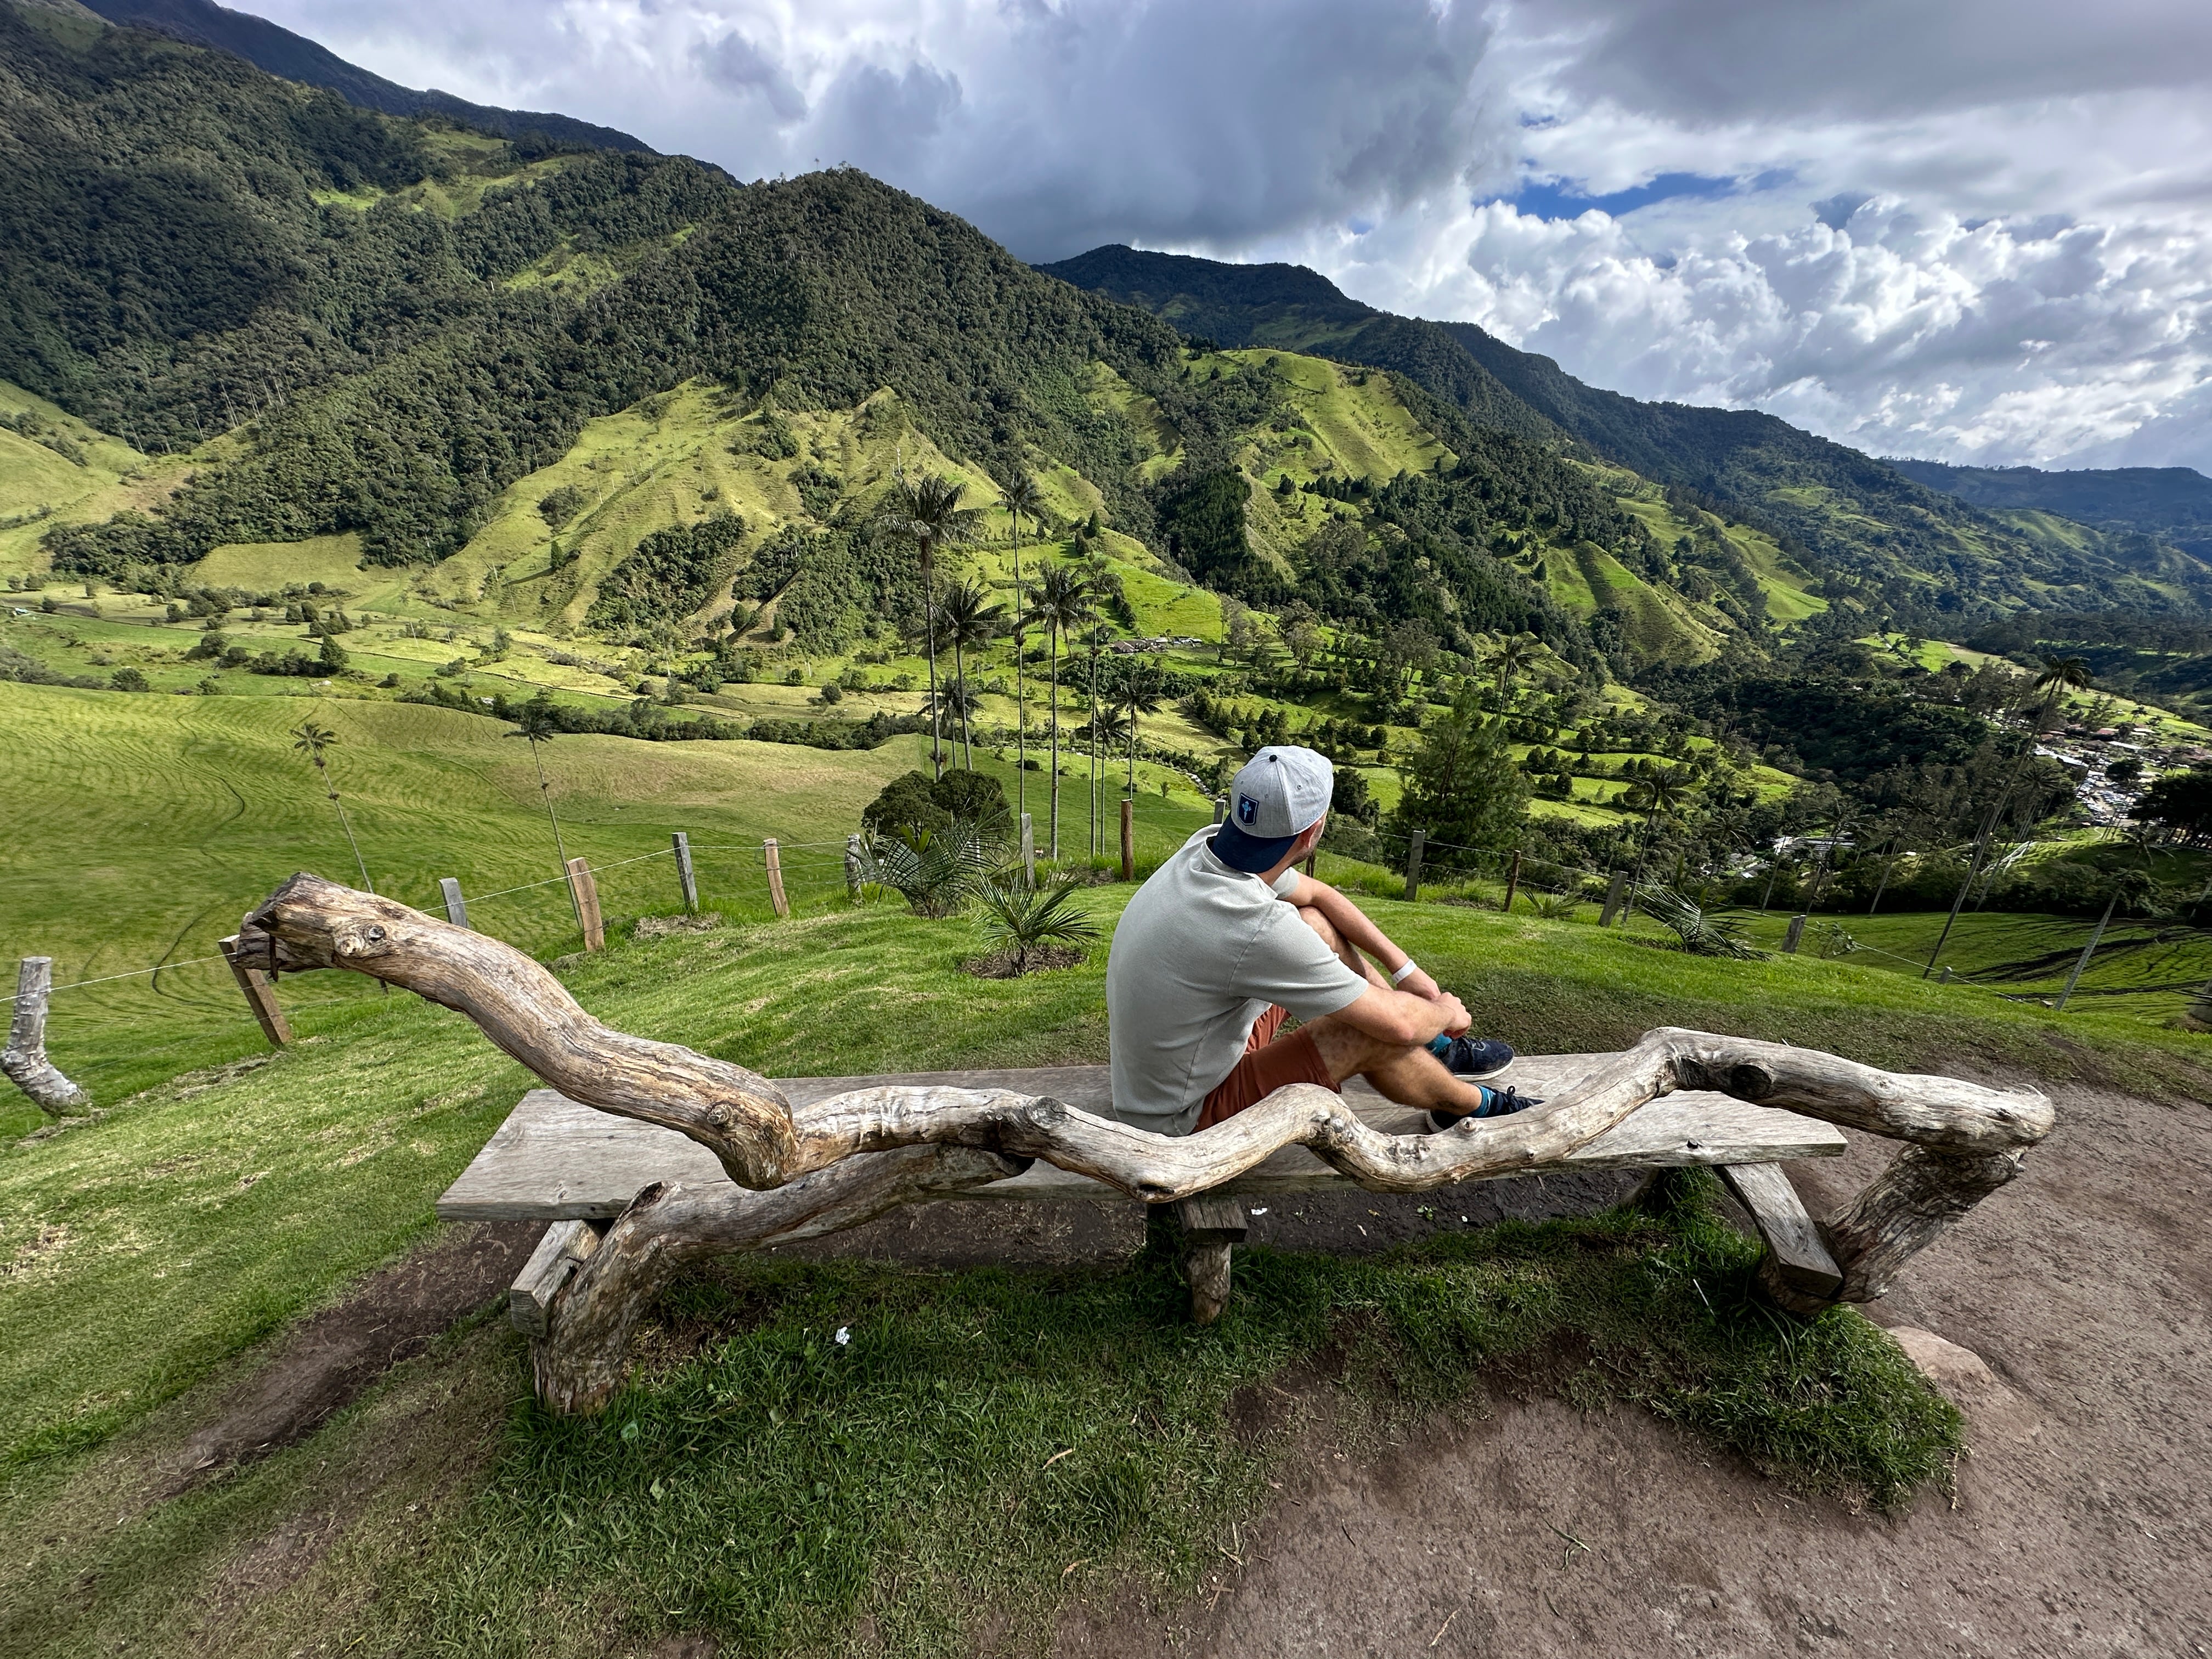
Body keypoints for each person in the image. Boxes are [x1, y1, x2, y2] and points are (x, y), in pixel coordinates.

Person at [1105, 745, 1538, 1138]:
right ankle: (1473, 1108)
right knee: (1370, 1031)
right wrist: (1443, 1011)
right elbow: (1398, 1025)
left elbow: (1318, 897)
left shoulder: (1210, 847)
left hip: (1182, 1064)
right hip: (1181, 1119)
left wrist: (1406, 971)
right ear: (1314, 832)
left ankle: (1435, 1050)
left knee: (1315, 924)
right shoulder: (1254, 924)